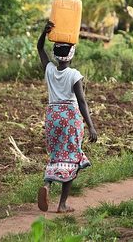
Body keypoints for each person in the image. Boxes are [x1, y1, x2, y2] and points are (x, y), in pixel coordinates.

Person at [36, 20, 98, 213]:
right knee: (71, 158)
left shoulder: (50, 70)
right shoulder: (74, 75)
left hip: (52, 116)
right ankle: (62, 204)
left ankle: (47, 185)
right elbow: (81, 101)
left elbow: (39, 48)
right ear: (72, 54)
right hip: (70, 117)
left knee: (56, 156)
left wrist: (43, 34)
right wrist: (91, 126)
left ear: (55, 54)